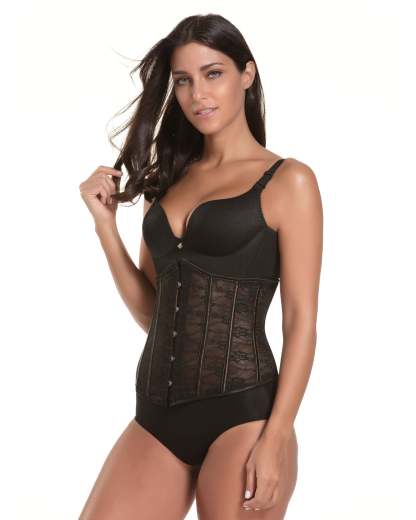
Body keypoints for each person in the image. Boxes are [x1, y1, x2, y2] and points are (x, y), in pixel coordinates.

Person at [78, 13, 323, 520]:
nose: (198, 94)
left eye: (213, 74)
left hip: (244, 416)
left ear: (246, 75)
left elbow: (300, 321)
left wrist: (276, 436)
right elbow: (154, 312)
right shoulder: (165, 182)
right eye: (184, 80)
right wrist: (106, 228)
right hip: (155, 417)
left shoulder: (288, 181)